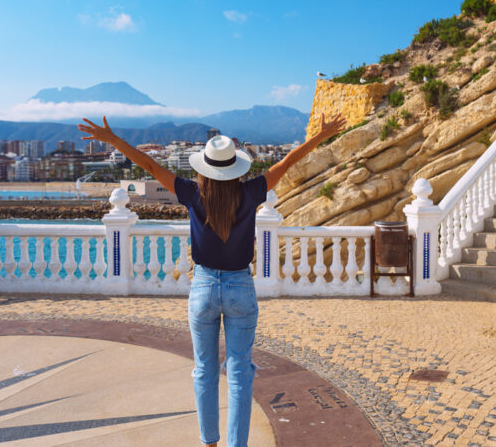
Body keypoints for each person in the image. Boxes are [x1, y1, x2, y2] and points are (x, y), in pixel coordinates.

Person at [78, 114, 346, 447]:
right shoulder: (251, 193)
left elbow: (148, 165)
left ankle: (209, 443)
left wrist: (114, 139)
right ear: (235, 167)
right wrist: (321, 136)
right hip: (240, 288)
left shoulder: (191, 193)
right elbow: (290, 161)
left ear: (204, 167)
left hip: (203, 288)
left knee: (204, 371)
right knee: (240, 374)